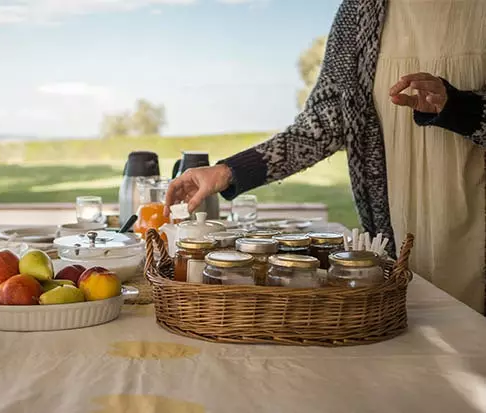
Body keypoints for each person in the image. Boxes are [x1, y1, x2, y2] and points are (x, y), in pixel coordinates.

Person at [164, 0, 486, 313]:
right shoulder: (361, 11)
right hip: (398, 234)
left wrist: (457, 108)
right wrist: (226, 171)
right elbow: (321, 126)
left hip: (474, 232)